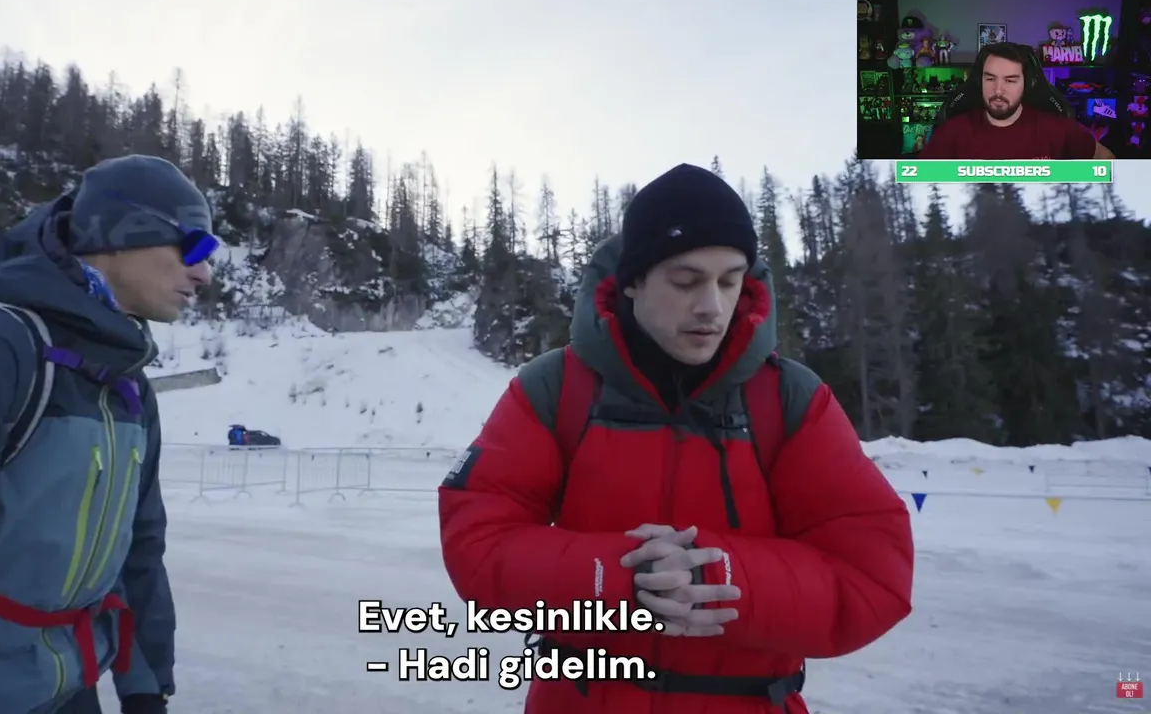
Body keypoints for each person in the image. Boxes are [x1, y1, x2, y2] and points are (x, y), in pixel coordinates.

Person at [438, 163, 914, 713]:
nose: (712, 306)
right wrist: (617, 579)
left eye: (730, 281)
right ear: (633, 281)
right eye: (686, 281)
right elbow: (479, 543)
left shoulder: (789, 399)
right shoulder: (556, 388)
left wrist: (719, 578)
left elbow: (872, 576)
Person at [0, 154, 216, 714]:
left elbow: (138, 551)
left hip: (67, 690)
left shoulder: (125, 382)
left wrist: (146, 687)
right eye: (193, 247)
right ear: (119, 232)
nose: (204, 274)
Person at [919, 42, 1115, 160]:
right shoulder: (952, 131)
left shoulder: (1058, 129)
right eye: (990, 79)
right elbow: (920, 182)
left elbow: (1106, 160)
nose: (998, 90)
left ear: (1026, 84)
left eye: (1010, 80)